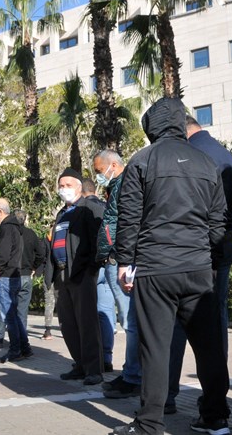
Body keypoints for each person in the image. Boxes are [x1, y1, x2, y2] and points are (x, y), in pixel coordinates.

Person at [113, 97, 230, 435]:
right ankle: (215, 416)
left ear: (151, 126)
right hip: (198, 268)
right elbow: (217, 221)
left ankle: (150, 424)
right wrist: (209, 256)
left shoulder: (141, 161)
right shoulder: (207, 163)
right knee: (209, 346)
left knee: (156, 348)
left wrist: (125, 261)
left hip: (155, 268)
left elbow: (130, 217)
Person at [166, 114, 232, 414]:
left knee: (177, 321)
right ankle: (214, 397)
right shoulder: (225, 153)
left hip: (194, 253)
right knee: (216, 323)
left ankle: (168, 395)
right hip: (221, 250)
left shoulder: (191, 157)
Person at [94, 149, 141, 400]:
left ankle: (134, 377)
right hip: (120, 256)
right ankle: (131, 373)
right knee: (130, 320)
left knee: (130, 320)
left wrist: (116, 255)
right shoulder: (117, 184)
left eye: (99, 171)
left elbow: (120, 221)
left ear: (113, 165)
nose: (99, 176)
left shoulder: (123, 183)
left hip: (121, 258)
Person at [52, 168, 104, 386]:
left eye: (68, 185)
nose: (64, 190)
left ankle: (94, 369)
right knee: (68, 323)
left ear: (79, 187)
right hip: (61, 273)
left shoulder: (89, 208)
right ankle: (80, 364)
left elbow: (98, 241)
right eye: (61, 186)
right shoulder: (62, 213)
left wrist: (91, 267)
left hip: (81, 273)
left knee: (87, 322)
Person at [0, 198, 32, 363]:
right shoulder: (16, 227)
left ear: (0, 211)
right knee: (13, 314)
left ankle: (16, 350)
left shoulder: (7, 228)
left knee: (8, 315)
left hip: (6, 276)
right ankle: (25, 347)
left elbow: (3, 254)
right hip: (14, 274)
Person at [0, 209, 45, 344]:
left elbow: (3, 255)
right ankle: (22, 342)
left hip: (10, 274)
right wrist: (34, 266)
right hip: (26, 275)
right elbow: (41, 253)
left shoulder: (10, 231)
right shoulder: (31, 234)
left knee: (4, 308)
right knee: (21, 310)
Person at [81, 177, 114, 373]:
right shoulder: (106, 207)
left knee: (87, 315)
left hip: (89, 267)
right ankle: (107, 358)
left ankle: (91, 360)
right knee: (106, 313)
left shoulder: (81, 208)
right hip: (107, 264)